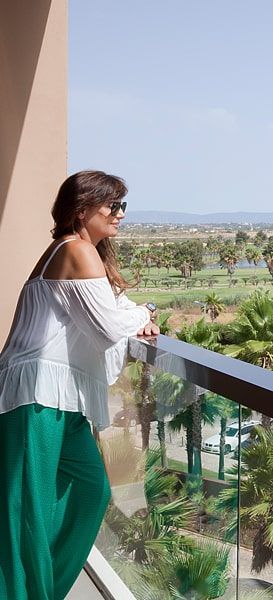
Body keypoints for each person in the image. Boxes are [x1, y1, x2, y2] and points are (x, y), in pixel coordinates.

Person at [0, 170, 159, 599]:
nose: (120, 214)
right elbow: (108, 326)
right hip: (35, 395)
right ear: (82, 207)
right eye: (112, 205)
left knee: (90, 490)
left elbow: (107, 308)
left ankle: (41, 590)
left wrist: (136, 314)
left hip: (60, 399)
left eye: (122, 205)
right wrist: (144, 314)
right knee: (27, 510)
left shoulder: (80, 252)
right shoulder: (76, 250)